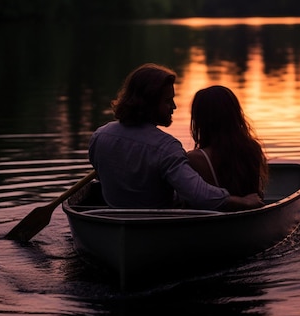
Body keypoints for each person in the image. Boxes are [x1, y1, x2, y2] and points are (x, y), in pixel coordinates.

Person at [89, 63, 263, 211]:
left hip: (112, 217)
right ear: (148, 103)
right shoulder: (166, 147)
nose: (174, 106)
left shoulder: (100, 136)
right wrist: (243, 201)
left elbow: (102, 176)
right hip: (157, 225)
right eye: (167, 101)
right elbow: (200, 195)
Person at [187, 85, 268, 200]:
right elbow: (258, 193)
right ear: (236, 115)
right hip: (251, 213)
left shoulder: (196, 158)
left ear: (200, 119)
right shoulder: (253, 148)